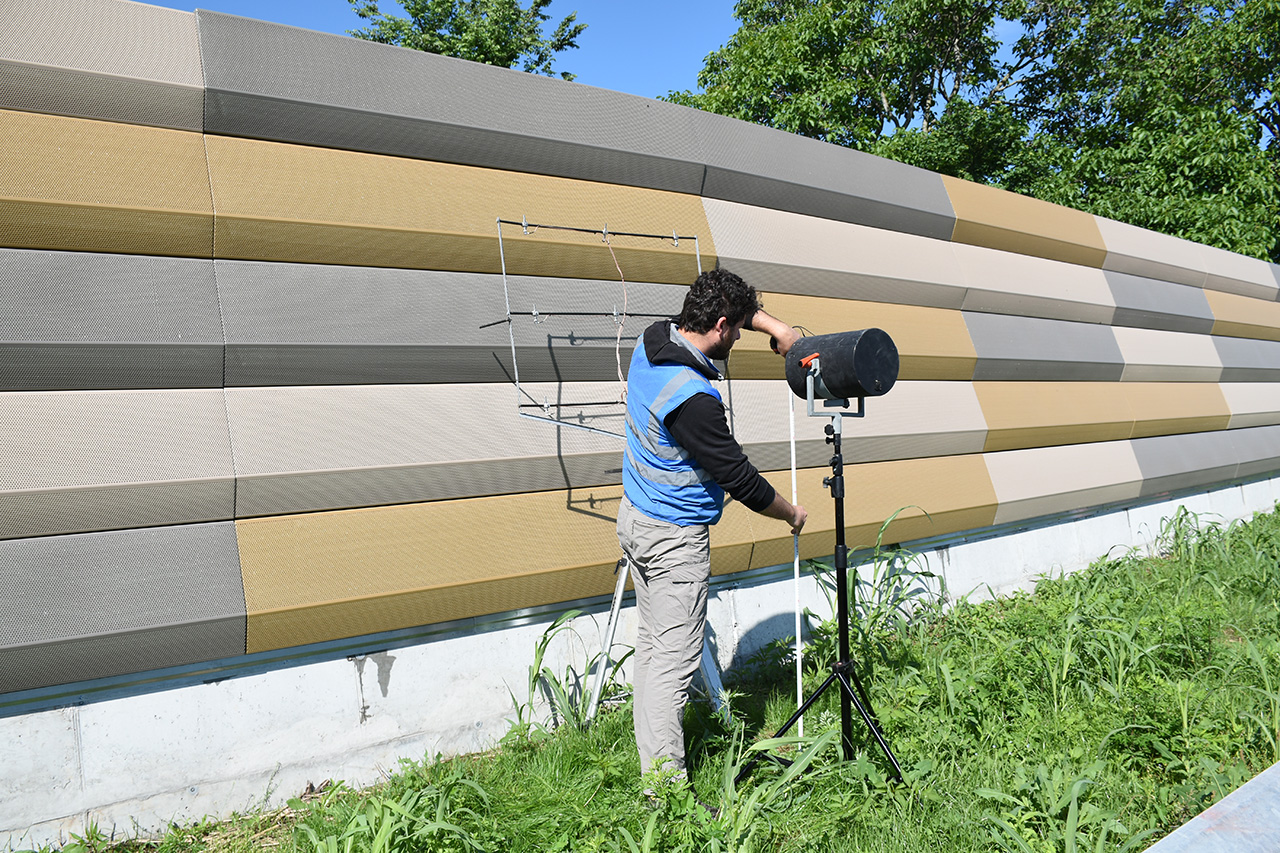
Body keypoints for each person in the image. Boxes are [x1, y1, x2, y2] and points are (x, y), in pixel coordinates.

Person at [617, 267, 808, 783]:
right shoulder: (693, 399)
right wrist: (790, 513)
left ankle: (653, 770)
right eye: (739, 329)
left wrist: (777, 328)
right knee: (672, 666)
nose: (741, 337)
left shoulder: (654, 339)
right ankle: (666, 790)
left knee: (654, 647)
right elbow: (740, 479)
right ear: (721, 325)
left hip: (637, 520)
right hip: (672, 541)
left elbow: (726, 303)